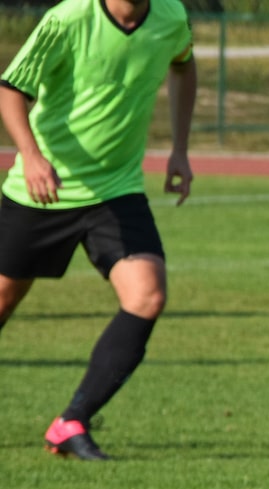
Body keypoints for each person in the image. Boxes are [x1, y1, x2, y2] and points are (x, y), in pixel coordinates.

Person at [0, 0, 196, 461]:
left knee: (147, 296)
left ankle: (72, 422)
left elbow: (184, 68)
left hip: (116, 190)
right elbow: (10, 89)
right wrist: (31, 155)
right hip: (45, 189)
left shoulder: (171, 17)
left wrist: (180, 149)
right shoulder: (68, 18)